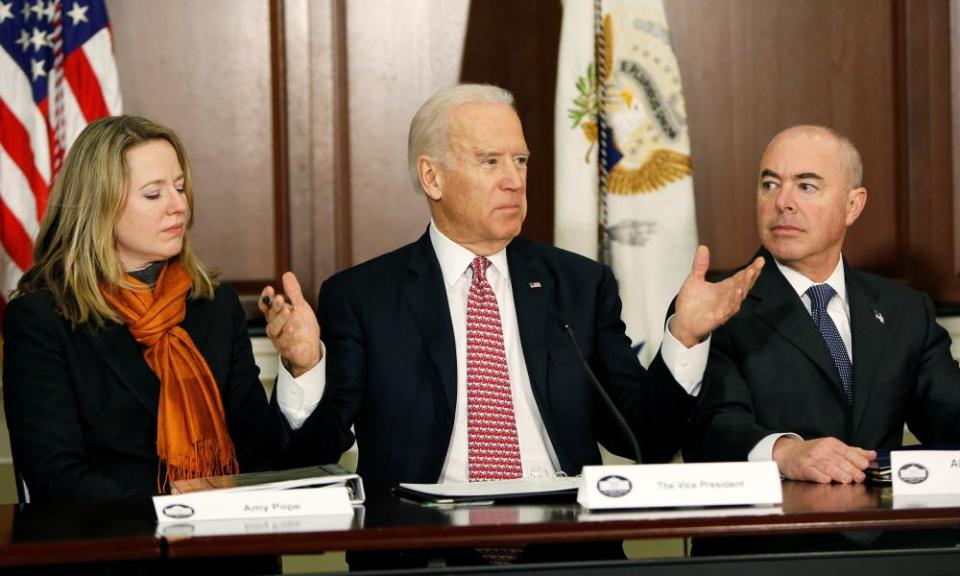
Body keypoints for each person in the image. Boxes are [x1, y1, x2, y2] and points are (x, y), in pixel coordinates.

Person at [3, 115, 323, 504]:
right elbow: (56, 480)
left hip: (232, 553)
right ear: (98, 207)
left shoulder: (215, 305)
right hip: (117, 554)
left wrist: (300, 369)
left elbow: (268, 459)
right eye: (153, 194)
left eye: (180, 187)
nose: (178, 206)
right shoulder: (42, 319)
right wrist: (181, 512)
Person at [685, 125, 960, 483]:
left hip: (891, 533)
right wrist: (784, 452)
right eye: (769, 185)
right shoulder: (717, 305)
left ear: (852, 205)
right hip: (776, 532)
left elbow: (950, 413)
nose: (782, 202)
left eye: (806, 186)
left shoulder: (904, 310)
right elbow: (710, 426)